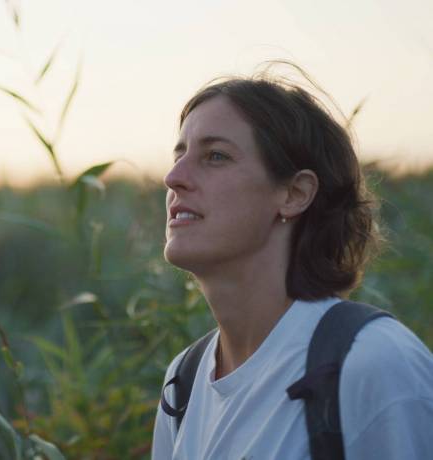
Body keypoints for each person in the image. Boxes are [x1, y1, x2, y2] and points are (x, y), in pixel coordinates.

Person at [151, 66, 433, 459]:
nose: (173, 177)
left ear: (295, 194)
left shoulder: (374, 363)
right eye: (179, 155)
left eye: (215, 156)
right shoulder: (183, 382)